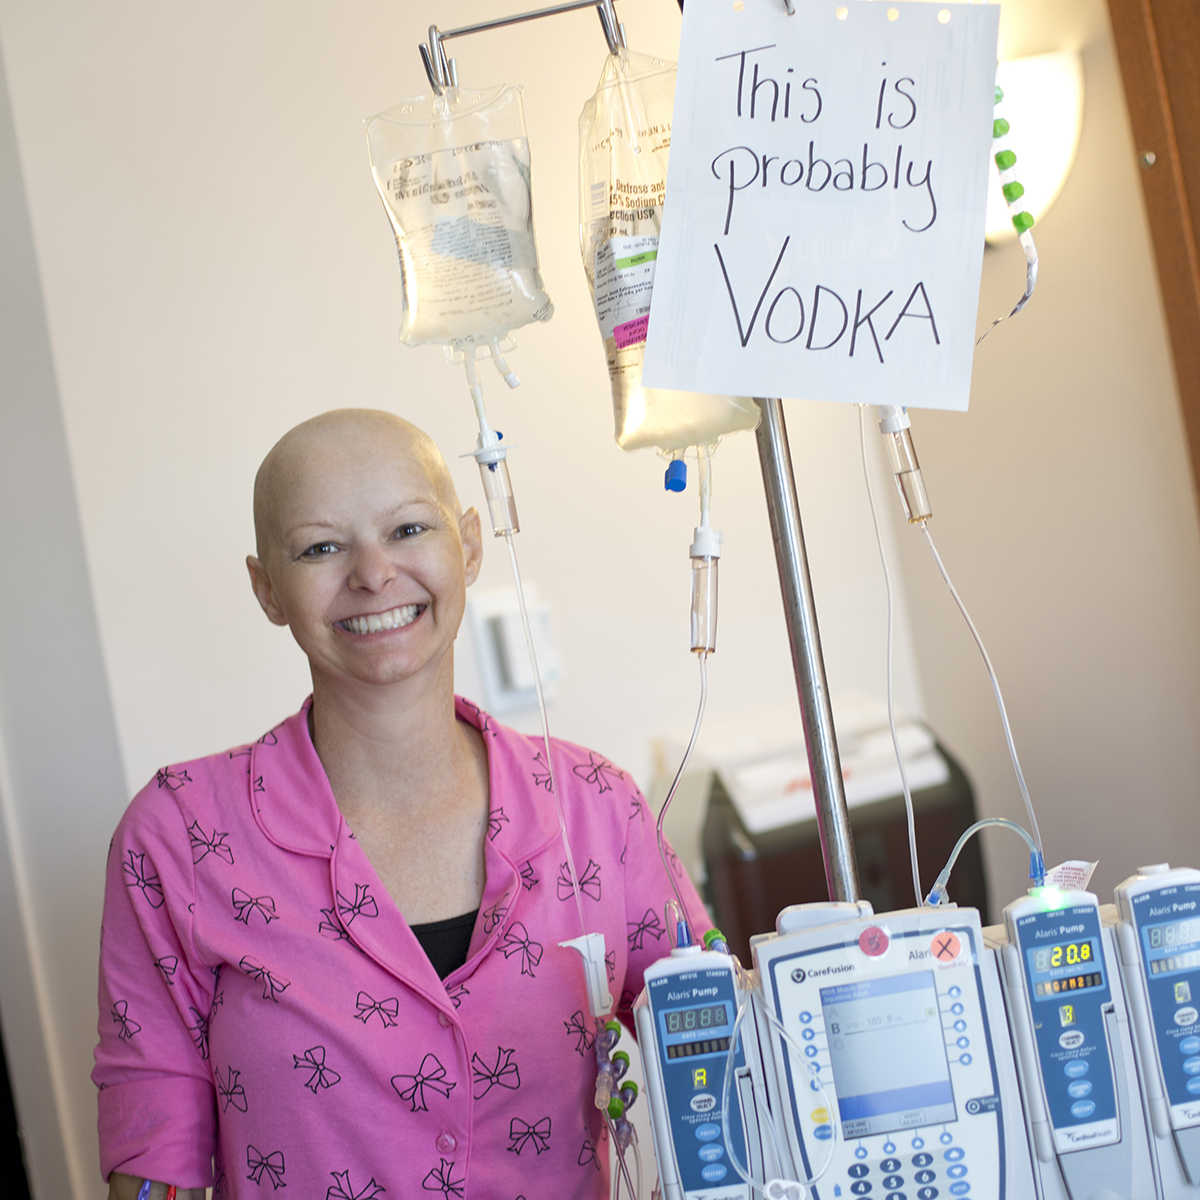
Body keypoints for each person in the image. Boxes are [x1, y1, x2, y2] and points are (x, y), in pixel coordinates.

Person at [93, 409, 711, 1200]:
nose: (374, 574)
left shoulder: (595, 809)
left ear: (470, 545)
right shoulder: (179, 836)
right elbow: (154, 1151)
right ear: (266, 589)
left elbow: (714, 1059)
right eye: (321, 547)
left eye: (409, 530)